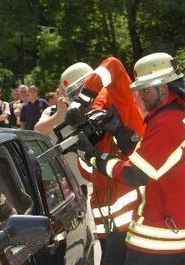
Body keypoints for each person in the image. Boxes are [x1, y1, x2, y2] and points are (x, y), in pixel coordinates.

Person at [76, 52, 185, 265]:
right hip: (174, 231)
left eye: (145, 90)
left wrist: (94, 156)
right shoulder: (179, 111)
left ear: (163, 87)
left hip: (160, 235)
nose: (140, 96)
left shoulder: (167, 122)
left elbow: (134, 173)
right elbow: (154, 158)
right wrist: (120, 132)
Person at [58, 59, 145, 265]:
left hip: (129, 218)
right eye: (72, 98)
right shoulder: (86, 122)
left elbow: (113, 65)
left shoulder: (116, 100)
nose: (76, 104)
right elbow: (89, 173)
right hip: (105, 221)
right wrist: (86, 149)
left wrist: (84, 99)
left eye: (78, 94)